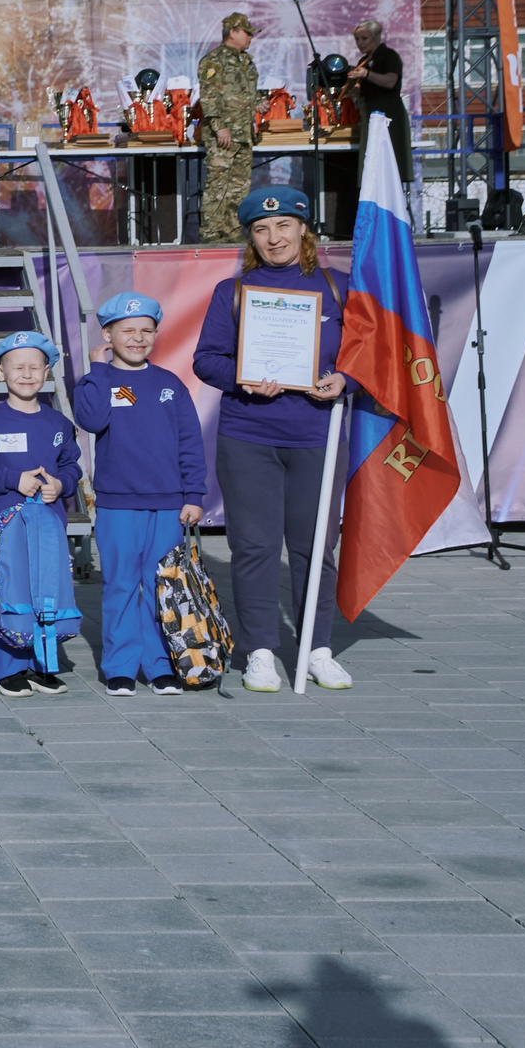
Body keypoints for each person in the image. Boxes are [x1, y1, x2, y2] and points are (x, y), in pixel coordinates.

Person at [191, 186, 358, 695]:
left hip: (317, 435)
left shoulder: (339, 288)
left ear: (304, 228)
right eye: (261, 229)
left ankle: (316, 649)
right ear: (251, 237)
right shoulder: (233, 291)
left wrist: (345, 380)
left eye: (284, 225)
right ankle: (260, 650)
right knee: (254, 547)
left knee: (315, 548)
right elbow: (206, 360)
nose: (274, 237)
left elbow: (368, 357)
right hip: (249, 436)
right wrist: (242, 376)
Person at [71, 292, 207, 696]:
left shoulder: (169, 384)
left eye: (146, 330)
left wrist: (194, 494)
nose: (137, 338)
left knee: (162, 587)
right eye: (127, 330)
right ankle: (120, 666)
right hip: (118, 504)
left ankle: (160, 663)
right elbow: (90, 420)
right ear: (108, 334)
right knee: (121, 586)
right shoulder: (98, 380)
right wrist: (96, 368)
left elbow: (190, 442)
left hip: (167, 504)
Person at [0, 333, 83, 698]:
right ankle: (6, 668)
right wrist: (14, 480)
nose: (27, 374)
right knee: (7, 590)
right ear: (1, 373)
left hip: (47, 525)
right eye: (18, 367)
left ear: (47, 371)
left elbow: (72, 466)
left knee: (46, 590)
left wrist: (61, 486)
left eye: (35, 367)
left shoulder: (58, 424)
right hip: (6, 527)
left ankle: (40, 663)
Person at [197, 11, 260, 242]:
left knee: (239, 188)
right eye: (247, 33)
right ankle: (212, 234)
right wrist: (218, 125)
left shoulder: (246, 61)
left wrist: (260, 103)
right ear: (232, 32)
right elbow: (209, 95)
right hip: (223, 134)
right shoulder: (214, 60)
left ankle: (233, 231)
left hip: (244, 133)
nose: (251, 38)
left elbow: (247, 93)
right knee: (218, 186)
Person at [347, 19, 412, 184]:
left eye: (364, 38)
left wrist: (366, 75)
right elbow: (368, 91)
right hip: (371, 112)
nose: (360, 43)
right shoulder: (365, 61)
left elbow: (390, 82)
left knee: (390, 161)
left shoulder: (389, 56)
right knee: (373, 162)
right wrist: (355, 91)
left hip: (388, 114)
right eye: (357, 39)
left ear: (376, 36)